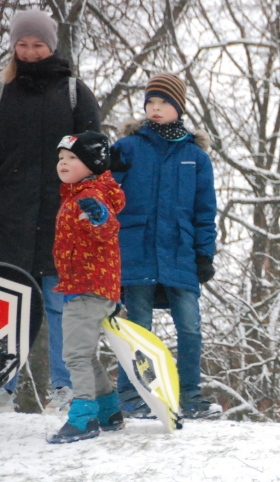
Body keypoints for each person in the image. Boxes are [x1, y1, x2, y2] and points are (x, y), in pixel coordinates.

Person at [0, 9, 101, 414]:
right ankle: (5, 386)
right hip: (10, 216)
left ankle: (67, 388)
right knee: (7, 302)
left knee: (63, 304)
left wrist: (89, 203)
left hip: (65, 217)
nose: (30, 51)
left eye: (37, 44)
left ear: (51, 45)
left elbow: (96, 155)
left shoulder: (75, 92)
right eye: (22, 44)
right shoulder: (4, 93)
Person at [110, 73, 221, 420]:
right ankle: (133, 394)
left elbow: (205, 211)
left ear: (178, 108)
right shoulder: (127, 149)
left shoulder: (196, 157)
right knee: (138, 326)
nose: (156, 109)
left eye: (164, 104)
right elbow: (108, 196)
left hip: (180, 254)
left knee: (190, 327)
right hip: (136, 251)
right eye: (151, 103)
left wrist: (205, 254)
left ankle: (190, 396)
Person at [47, 132, 128, 443]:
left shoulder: (89, 195)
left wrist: (99, 218)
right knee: (86, 354)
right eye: (61, 158)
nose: (64, 163)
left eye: (72, 158)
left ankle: (83, 417)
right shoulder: (77, 192)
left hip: (88, 287)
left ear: (92, 164)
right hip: (89, 286)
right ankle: (109, 410)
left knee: (75, 356)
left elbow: (106, 227)